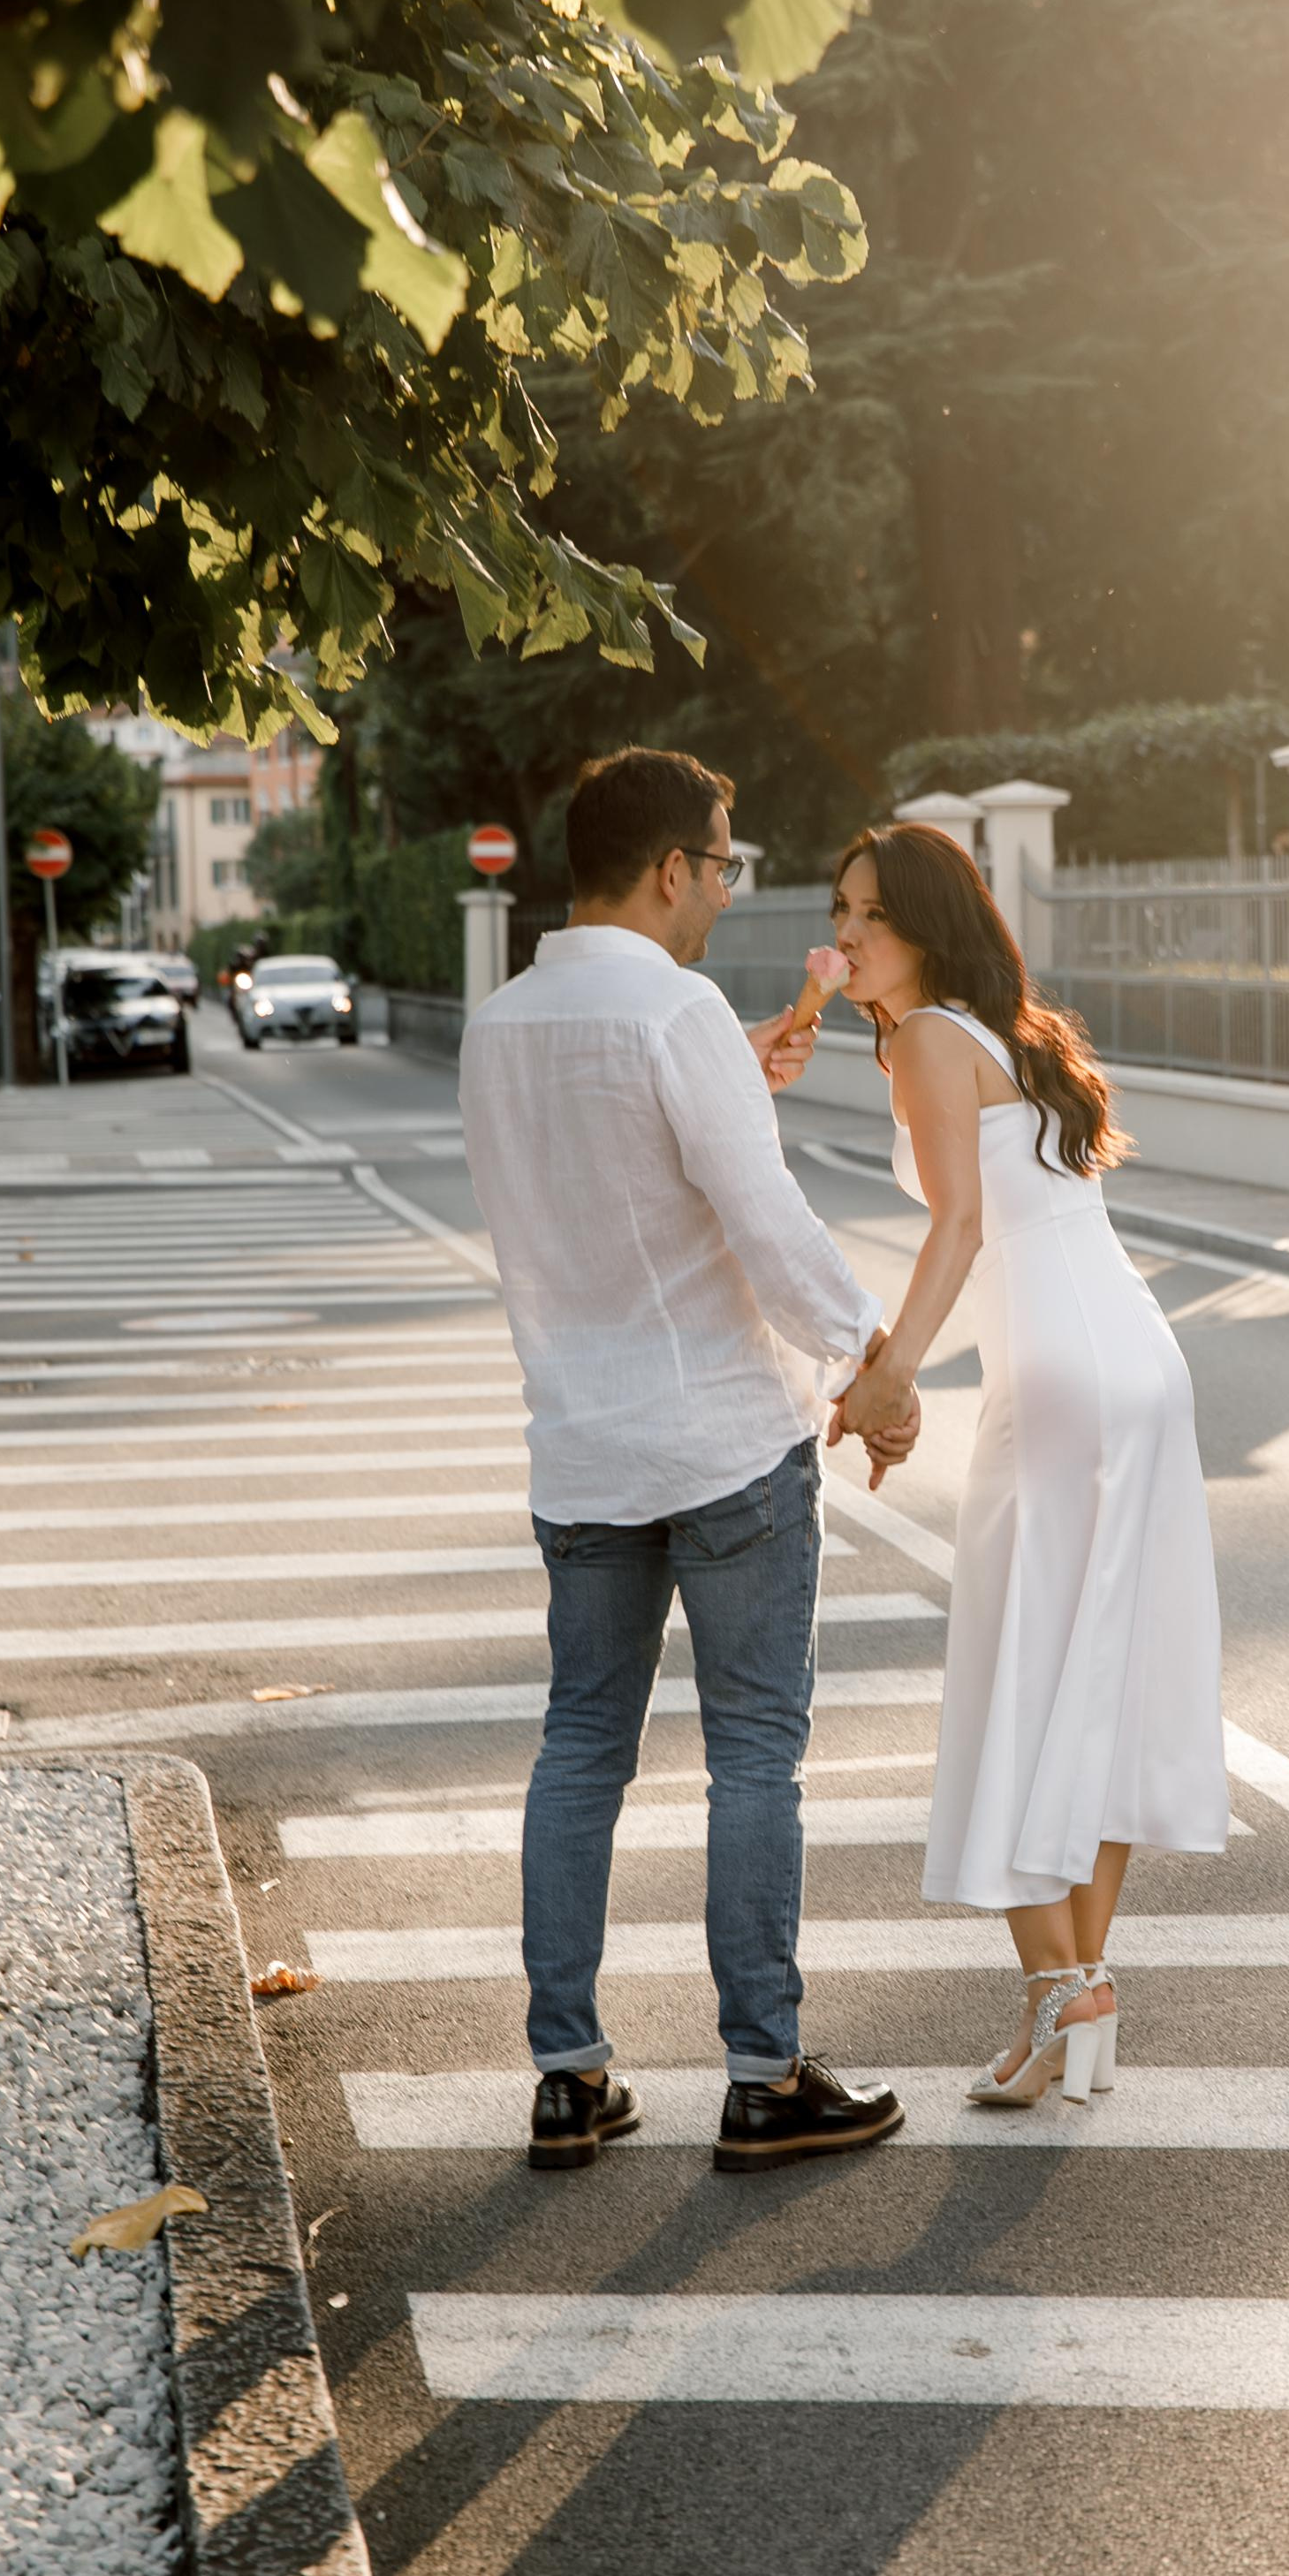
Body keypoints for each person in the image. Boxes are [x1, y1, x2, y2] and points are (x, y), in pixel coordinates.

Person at [460, 748, 918, 2177]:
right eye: (722, 864)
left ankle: (567, 2075)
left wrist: (740, 1077)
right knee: (754, 1757)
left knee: (581, 1744)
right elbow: (759, 1215)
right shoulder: (680, 1008)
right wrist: (872, 1360)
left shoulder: (502, 1023)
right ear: (670, 868)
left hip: (583, 1445)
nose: (725, 888)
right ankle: (764, 2074)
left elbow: (609, 1192)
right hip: (723, 1436)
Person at [835, 823, 1228, 2106]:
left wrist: (891, 1371)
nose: (841, 936)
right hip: (1139, 1365)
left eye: (864, 918)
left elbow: (959, 1223)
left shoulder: (929, 1042)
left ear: (926, 929)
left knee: (1017, 1670)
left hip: (1057, 1375)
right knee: (1097, 1674)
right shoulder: (1010, 1035)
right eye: (841, 913)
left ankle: (1060, 1993)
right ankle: (1075, 1995)